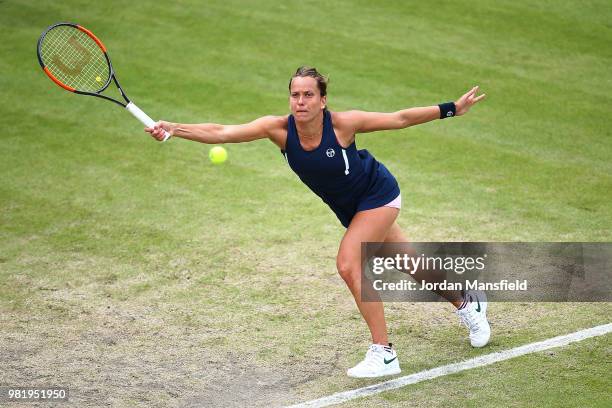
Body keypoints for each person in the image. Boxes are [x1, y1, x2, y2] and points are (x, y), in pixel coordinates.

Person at [145, 66, 490, 378]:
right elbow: (222, 131)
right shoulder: (278, 130)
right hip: (350, 211)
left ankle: (384, 353)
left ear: (323, 100)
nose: (300, 101)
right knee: (410, 263)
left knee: (348, 264)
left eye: (308, 94)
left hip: (379, 195)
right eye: (295, 94)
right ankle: (467, 301)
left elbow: (399, 118)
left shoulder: (343, 124)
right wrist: (174, 128)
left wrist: (451, 109)